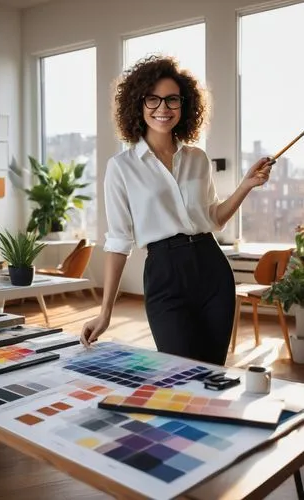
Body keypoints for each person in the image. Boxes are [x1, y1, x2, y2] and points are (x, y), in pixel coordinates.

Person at [80, 55, 273, 365]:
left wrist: (246, 185)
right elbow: (118, 242)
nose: (163, 108)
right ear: (138, 104)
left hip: (212, 271)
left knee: (212, 374)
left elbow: (214, 220)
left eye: (172, 100)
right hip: (164, 275)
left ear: (184, 105)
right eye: (153, 99)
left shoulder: (197, 158)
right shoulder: (121, 168)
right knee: (180, 375)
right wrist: (105, 313)